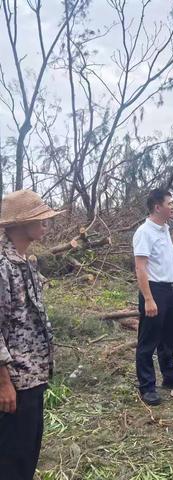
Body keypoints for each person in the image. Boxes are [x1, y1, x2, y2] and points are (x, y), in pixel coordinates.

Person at [0, 189, 64, 480]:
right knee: (12, 461)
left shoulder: (27, 262)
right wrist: (3, 383)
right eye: (40, 218)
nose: (46, 224)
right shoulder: (2, 267)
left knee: (27, 454)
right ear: (19, 224)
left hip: (34, 376)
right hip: (15, 382)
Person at [133, 189, 173, 406]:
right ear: (157, 207)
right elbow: (140, 268)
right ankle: (147, 386)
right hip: (154, 290)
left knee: (169, 337)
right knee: (148, 340)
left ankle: (170, 376)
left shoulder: (165, 229)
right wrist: (148, 298)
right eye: (169, 203)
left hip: (168, 289)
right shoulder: (144, 232)